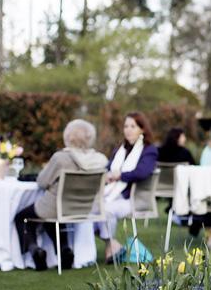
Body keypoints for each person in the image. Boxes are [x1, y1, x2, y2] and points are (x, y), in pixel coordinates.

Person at [14, 119, 109, 271]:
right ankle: (64, 249)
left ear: (69, 137)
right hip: (83, 208)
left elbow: (42, 182)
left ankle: (35, 250)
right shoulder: (99, 160)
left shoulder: (61, 158)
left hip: (55, 207)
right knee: (53, 215)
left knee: (22, 218)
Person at [99, 112, 159, 263]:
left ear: (142, 129)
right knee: (92, 208)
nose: (128, 130)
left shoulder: (149, 150)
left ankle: (111, 247)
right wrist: (107, 175)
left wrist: (119, 175)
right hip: (112, 194)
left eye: (133, 126)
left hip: (132, 199)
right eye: (126, 126)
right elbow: (108, 168)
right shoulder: (120, 149)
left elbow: (142, 172)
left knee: (105, 210)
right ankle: (113, 246)